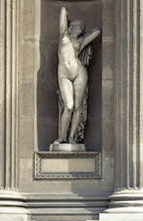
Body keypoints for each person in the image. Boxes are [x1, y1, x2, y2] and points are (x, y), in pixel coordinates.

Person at [53, 7, 101, 145]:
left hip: (79, 72)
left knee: (77, 107)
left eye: (83, 27)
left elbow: (97, 31)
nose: (82, 28)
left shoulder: (81, 41)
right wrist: (68, 21)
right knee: (68, 106)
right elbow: (63, 10)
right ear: (72, 27)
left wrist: (86, 34)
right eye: (80, 26)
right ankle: (62, 136)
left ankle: (72, 137)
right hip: (64, 74)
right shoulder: (63, 35)